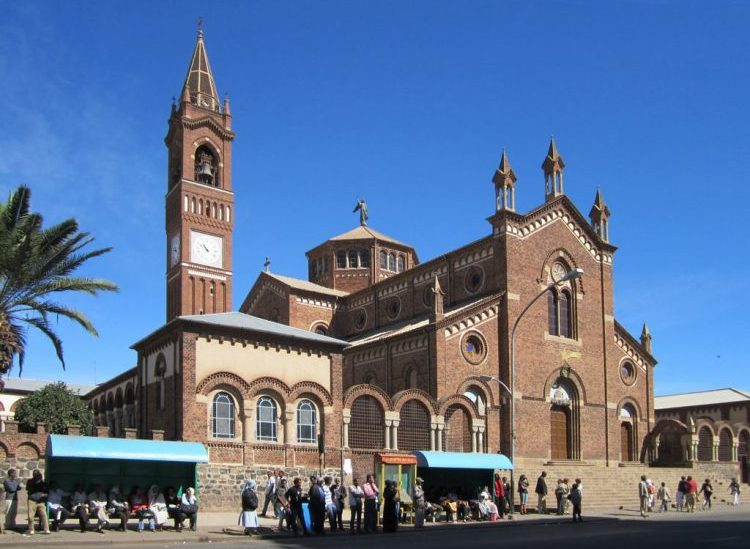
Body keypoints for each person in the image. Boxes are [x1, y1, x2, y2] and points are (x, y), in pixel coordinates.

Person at [25, 469, 50, 535]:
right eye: (35, 475)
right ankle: (31, 529)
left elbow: (47, 492)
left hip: (41, 501)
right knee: (30, 516)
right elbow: (28, 490)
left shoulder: (43, 483)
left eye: (37, 475)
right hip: (32, 500)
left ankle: (46, 529)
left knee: (44, 515)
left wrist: (44, 495)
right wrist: (35, 483)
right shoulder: (30, 481)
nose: (36, 477)